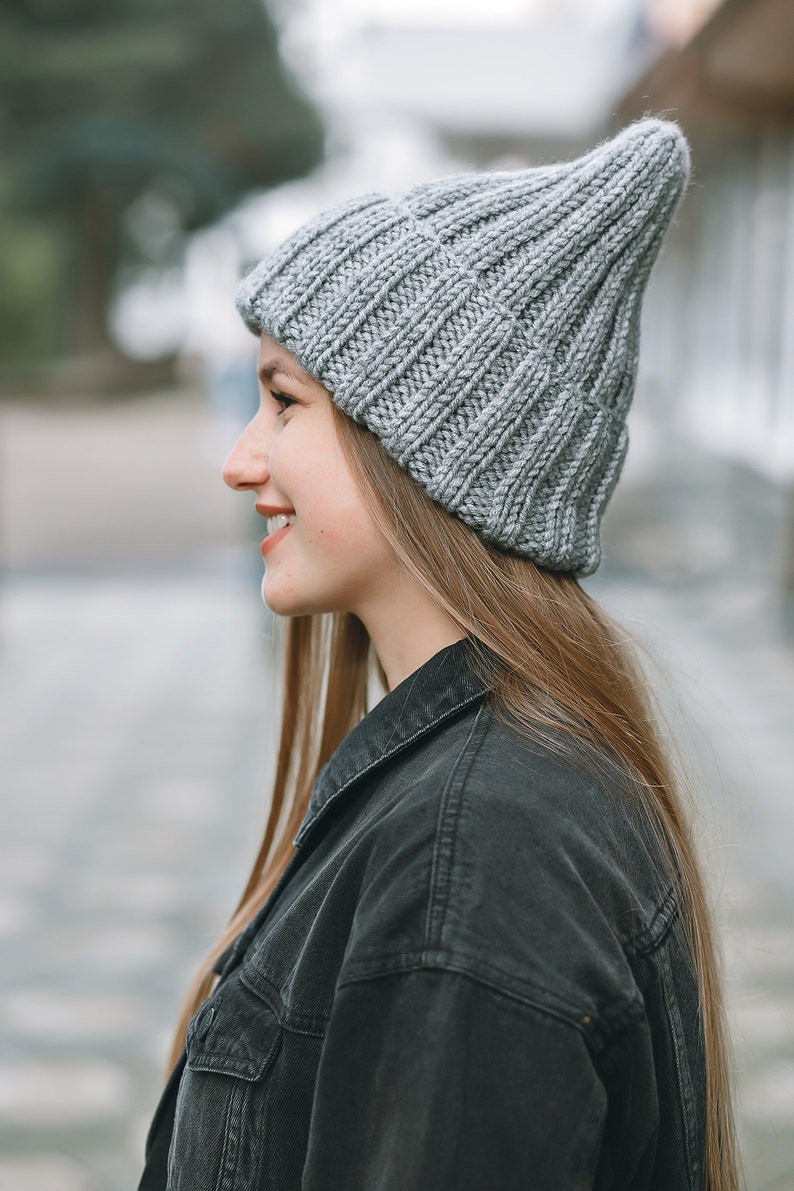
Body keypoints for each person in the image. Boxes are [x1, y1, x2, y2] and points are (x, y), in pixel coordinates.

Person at [138, 118, 739, 1190]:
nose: (242, 461)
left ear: (424, 441)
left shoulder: (472, 857)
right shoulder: (487, 796)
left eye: (284, 402)